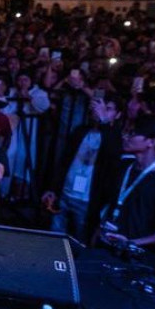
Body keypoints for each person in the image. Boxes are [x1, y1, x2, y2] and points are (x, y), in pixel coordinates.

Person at [42, 94, 125, 243]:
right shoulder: (81, 130)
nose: (101, 111)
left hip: (87, 200)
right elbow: (64, 162)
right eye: (98, 106)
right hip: (65, 194)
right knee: (54, 241)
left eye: (108, 109)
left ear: (118, 115)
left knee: (79, 243)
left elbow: (112, 155)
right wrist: (53, 189)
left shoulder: (115, 137)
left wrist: (104, 121)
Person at [99, 114, 155, 253]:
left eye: (132, 133)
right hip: (107, 246)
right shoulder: (124, 167)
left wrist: (132, 243)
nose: (125, 136)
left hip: (138, 257)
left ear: (151, 142)